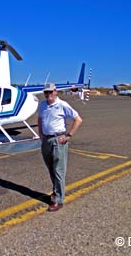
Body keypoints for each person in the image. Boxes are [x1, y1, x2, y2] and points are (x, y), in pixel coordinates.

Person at [37, 83, 82, 212]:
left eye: (50, 92)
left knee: (58, 171)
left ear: (56, 92)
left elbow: (78, 119)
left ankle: (59, 200)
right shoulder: (43, 105)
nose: (48, 94)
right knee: (51, 169)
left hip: (58, 140)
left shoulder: (62, 105)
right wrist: (40, 134)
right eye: (46, 92)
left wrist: (69, 135)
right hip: (46, 140)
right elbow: (40, 119)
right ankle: (56, 192)